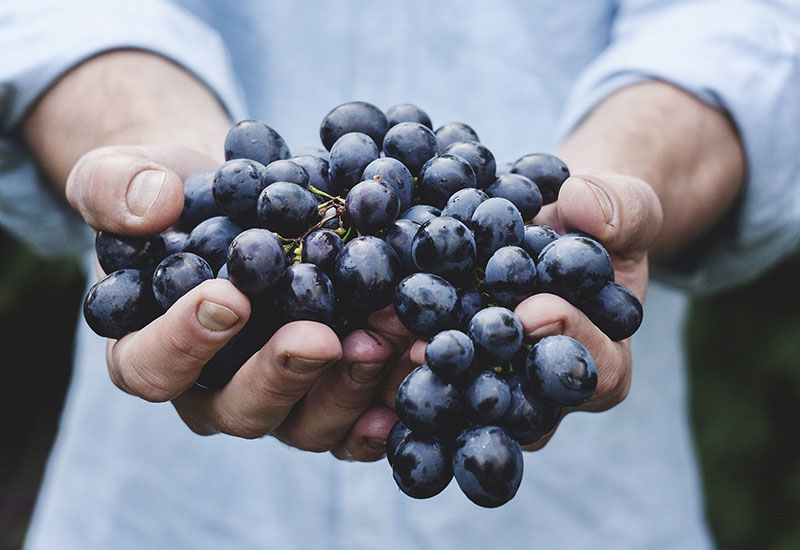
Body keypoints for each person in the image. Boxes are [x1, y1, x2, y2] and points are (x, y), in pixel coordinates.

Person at [2, 1, 799, 548]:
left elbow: (740, 24)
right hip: (167, 511)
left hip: (584, 509)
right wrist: (143, 144)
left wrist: (618, 181)